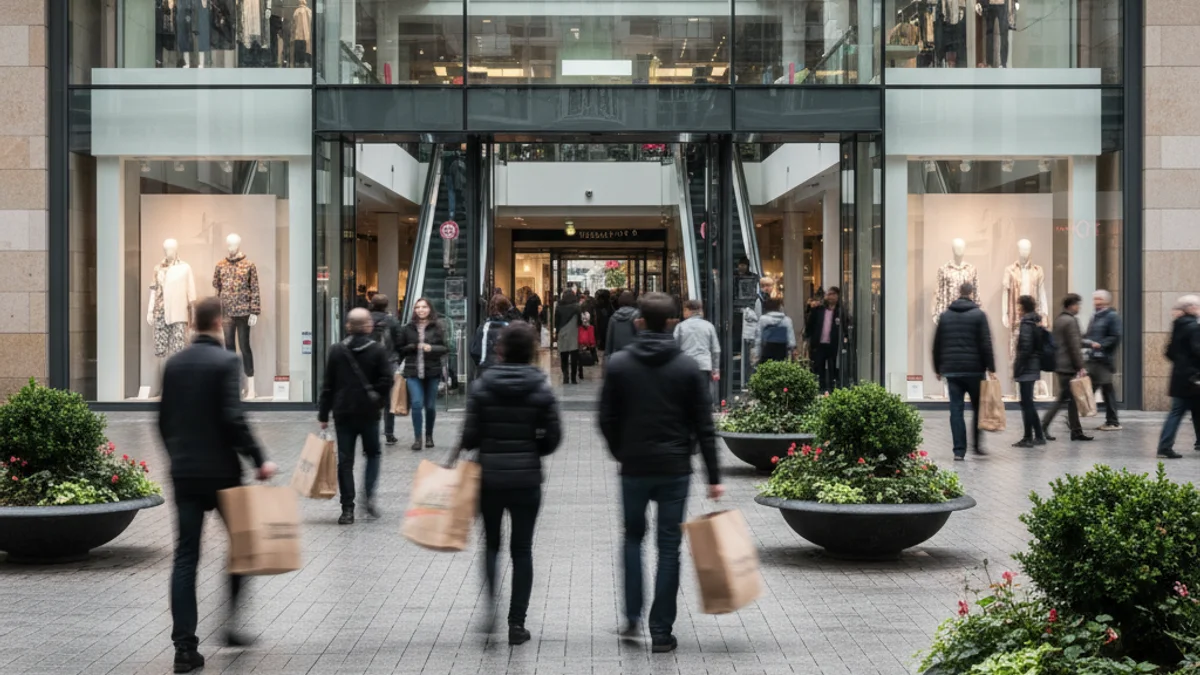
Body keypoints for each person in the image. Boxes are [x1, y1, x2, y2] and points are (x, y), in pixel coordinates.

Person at [599, 292, 724, 654]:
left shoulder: (621, 365)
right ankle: (662, 630)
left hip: (634, 467)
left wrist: (620, 450)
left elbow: (606, 418)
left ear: (639, 323)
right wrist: (714, 476)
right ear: (674, 323)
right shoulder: (687, 368)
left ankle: (632, 617)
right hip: (675, 469)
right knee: (669, 547)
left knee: (632, 538)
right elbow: (704, 425)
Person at [159, 297, 278, 674]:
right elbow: (234, 417)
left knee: (185, 557)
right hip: (224, 475)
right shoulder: (228, 361)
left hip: (186, 475)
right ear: (219, 323)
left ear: (193, 323)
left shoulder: (174, 364)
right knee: (242, 548)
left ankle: (184, 648)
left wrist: (176, 456)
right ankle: (229, 627)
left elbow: (162, 421)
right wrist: (260, 461)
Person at [460, 323, 562, 645]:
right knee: (522, 550)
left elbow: (469, 437)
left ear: (500, 350)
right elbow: (554, 438)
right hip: (526, 479)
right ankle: (517, 624)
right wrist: (534, 449)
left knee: (491, 544)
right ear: (532, 351)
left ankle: (491, 604)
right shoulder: (542, 388)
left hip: (489, 477)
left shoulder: (482, 385)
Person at [318, 307, 393, 525]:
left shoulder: (336, 350)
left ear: (348, 326)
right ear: (368, 326)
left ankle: (347, 509)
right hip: (369, 413)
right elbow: (387, 381)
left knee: (345, 461)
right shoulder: (378, 351)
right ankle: (368, 496)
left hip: (343, 413)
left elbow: (328, 385)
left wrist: (323, 414)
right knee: (373, 454)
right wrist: (379, 400)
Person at [932, 282, 996, 460]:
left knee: (956, 410)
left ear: (959, 293)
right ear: (972, 293)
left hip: (952, 371)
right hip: (975, 370)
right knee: (978, 408)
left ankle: (959, 451)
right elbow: (986, 343)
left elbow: (937, 344)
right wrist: (991, 367)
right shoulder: (979, 315)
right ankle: (977, 446)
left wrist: (938, 368)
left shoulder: (945, 316)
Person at [398, 298, 449, 451]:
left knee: (431, 406)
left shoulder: (438, 327)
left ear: (429, 309)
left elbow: (446, 348)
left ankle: (429, 436)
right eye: (418, 307)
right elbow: (401, 349)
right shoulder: (407, 328)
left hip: (432, 371)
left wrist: (431, 348)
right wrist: (414, 346)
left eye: (424, 307)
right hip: (413, 372)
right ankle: (417, 438)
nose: (421, 310)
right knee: (416, 404)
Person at [1041, 293, 1093, 442]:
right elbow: (1074, 346)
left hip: (1061, 365)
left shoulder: (1059, 320)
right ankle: (1042, 426)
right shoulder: (1071, 321)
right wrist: (1080, 366)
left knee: (1071, 400)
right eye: (1077, 305)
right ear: (1072, 305)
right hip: (1068, 366)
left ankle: (1076, 431)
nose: (1079, 308)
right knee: (1063, 399)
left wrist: (1089, 344)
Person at [1158, 295, 1200, 459]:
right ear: (1190, 308)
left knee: (1193, 410)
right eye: (1197, 306)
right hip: (1193, 378)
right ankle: (1164, 446)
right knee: (1178, 412)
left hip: (1179, 377)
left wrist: (1180, 364)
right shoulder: (1194, 328)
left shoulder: (1178, 326)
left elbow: (1168, 352)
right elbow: (1198, 351)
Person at [1084, 289, 1122, 431]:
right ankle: (1111, 420)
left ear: (1107, 301)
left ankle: (1113, 421)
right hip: (1093, 358)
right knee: (1097, 389)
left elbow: (1115, 336)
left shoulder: (1112, 316)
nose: (1096, 302)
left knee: (1106, 389)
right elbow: (1090, 334)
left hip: (1104, 360)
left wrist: (1101, 345)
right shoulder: (1095, 316)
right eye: (1095, 299)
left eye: (1099, 299)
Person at [1011, 294, 1046, 448]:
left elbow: (1025, 348)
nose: (1017, 310)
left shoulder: (1026, 324)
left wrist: (1018, 368)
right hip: (1033, 365)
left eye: (1018, 306)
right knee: (1028, 402)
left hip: (1027, 368)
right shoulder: (1036, 322)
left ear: (1023, 307)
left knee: (1026, 403)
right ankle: (1038, 435)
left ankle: (1028, 437)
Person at [369, 294, 404, 446]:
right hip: (389, 362)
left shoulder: (366, 319)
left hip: (369, 364)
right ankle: (389, 433)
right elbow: (399, 341)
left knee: (371, 400)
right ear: (386, 304)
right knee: (390, 400)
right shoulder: (392, 320)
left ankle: (372, 434)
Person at [674, 299, 721, 399]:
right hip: (704, 366)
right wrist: (715, 369)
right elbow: (716, 349)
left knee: (686, 395)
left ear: (687, 310)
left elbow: (674, 348)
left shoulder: (680, 327)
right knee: (702, 395)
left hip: (685, 366)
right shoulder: (709, 326)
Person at [805, 286, 843, 393]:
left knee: (833, 368)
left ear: (838, 296)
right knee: (818, 368)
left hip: (833, 345)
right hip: (819, 344)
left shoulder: (840, 311)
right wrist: (808, 338)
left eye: (833, 294)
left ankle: (832, 389)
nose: (830, 296)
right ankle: (820, 389)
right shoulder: (818, 310)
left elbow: (846, 325)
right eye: (828, 294)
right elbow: (810, 325)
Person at [471, 295, 512, 374]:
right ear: (506, 310)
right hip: (505, 373)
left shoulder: (482, 328)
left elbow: (474, 351)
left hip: (485, 372)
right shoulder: (510, 328)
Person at [755, 297, 797, 363]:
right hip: (782, 349)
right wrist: (793, 351)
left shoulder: (763, 319)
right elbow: (791, 339)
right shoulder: (787, 320)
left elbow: (758, 338)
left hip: (767, 349)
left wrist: (757, 354)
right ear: (779, 307)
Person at [554, 290, 581, 384]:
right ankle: (573, 377)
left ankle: (565, 376)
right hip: (574, 331)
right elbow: (580, 321)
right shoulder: (577, 307)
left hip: (562, 332)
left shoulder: (558, 306)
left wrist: (556, 333)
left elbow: (556, 322)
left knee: (563, 355)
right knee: (574, 356)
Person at [606, 290, 639, 356]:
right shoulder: (637, 315)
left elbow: (609, 340)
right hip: (634, 354)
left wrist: (607, 356)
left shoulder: (613, 317)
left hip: (617, 356)